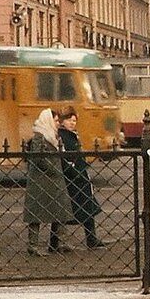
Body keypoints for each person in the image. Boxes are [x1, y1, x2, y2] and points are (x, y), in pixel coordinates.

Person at [23, 108, 74, 256]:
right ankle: (33, 245)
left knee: (61, 209)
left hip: (54, 180)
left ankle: (61, 242)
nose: (58, 123)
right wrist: (53, 168)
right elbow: (39, 158)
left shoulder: (53, 135)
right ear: (48, 120)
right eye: (56, 121)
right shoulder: (40, 136)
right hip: (41, 181)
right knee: (36, 214)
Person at [56, 105, 108, 250]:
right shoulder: (62, 136)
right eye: (69, 120)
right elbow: (64, 158)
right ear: (62, 121)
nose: (72, 123)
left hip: (80, 178)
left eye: (74, 121)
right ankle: (57, 242)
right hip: (72, 179)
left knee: (87, 208)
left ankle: (91, 238)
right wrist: (74, 171)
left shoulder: (72, 135)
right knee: (66, 211)